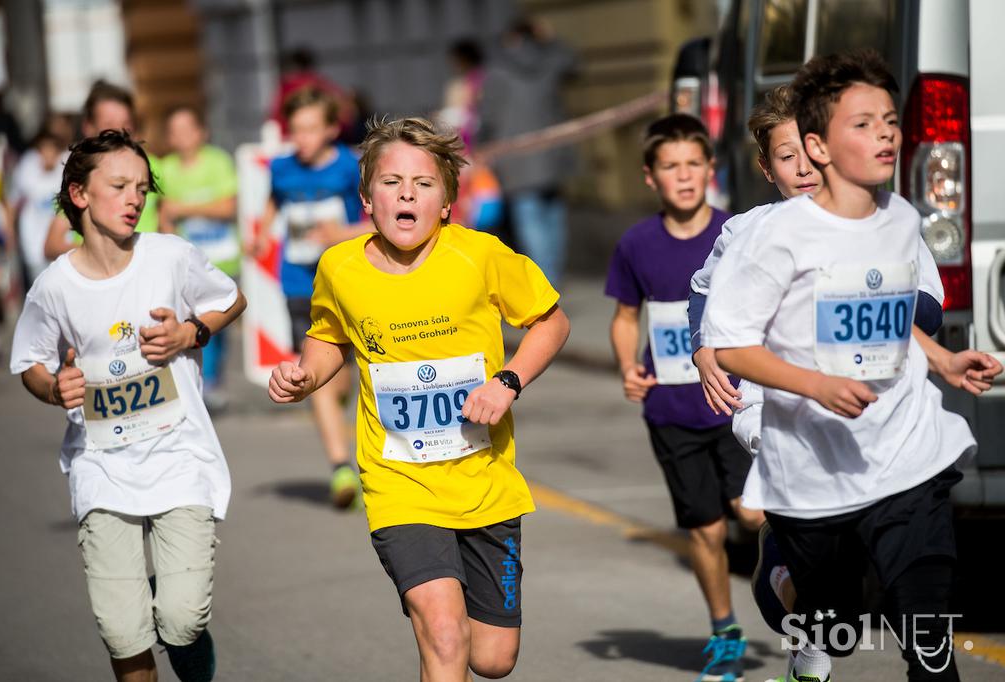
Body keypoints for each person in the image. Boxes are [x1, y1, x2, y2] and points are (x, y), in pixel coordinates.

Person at [702, 50, 1002, 682]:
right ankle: (791, 586)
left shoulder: (890, 219)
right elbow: (716, 313)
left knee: (922, 598)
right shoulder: (752, 234)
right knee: (833, 610)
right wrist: (711, 350)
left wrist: (943, 358)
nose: (805, 169)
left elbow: (915, 305)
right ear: (768, 168)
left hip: (895, 430)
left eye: (812, 154)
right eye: (788, 158)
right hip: (792, 427)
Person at [268, 116, 569, 681]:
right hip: (398, 481)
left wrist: (507, 382)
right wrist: (306, 376)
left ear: (448, 203)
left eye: (424, 184)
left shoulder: (479, 256)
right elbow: (330, 335)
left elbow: (551, 322)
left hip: (484, 482)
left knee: (493, 658)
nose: (408, 193)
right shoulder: (341, 266)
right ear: (366, 198)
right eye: (392, 182)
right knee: (444, 631)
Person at [9, 129, 247, 682]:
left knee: (182, 621)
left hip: (179, 457)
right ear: (79, 194)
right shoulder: (53, 287)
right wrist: (54, 388)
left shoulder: (169, 256)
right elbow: (30, 362)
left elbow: (230, 298)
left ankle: (180, 628)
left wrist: (190, 333)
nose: (135, 198)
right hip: (102, 465)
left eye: (142, 188)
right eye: (119, 186)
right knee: (122, 631)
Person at [605, 113, 763, 682]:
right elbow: (626, 317)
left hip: (737, 402)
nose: (684, 175)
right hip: (671, 409)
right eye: (670, 166)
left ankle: (789, 600)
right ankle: (724, 632)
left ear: (711, 170)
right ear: (651, 177)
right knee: (706, 530)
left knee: (754, 512)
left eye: (694, 163)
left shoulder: (739, 231)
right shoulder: (636, 244)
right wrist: (628, 365)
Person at [251, 87, 373, 508]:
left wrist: (341, 235)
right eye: (295, 130)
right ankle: (341, 466)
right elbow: (274, 202)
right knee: (314, 377)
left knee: (342, 381)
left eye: (309, 129)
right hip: (300, 285)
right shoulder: (282, 168)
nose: (300, 138)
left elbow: (374, 220)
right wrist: (260, 233)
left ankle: (345, 430)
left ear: (330, 130)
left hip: (348, 282)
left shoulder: (348, 166)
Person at [479, 17, 575, 286]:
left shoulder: (496, 70)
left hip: (516, 157)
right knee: (553, 216)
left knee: (529, 219)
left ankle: (546, 282)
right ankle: (554, 275)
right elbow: (573, 64)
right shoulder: (549, 61)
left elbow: (488, 116)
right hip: (552, 153)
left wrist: (480, 144)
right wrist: (551, 39)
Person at [158, 105, 240, 410]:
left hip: (222, 258)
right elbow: (164, 216)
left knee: (218, 323)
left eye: (187, 129)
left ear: (202, 131)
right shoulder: (165, 168)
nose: (182, 136)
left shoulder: (217, 162)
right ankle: (200, 383)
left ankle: (214, 379)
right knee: (190, 321)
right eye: (174, 131)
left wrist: (185, 209)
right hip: (187, 265)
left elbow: (228, 208)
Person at [44, 80, 161, 262]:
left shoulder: (152, 167)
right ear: (88, 127)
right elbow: (51, 245)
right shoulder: (84, 175)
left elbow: (170, 222)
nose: (120, 132)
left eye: (126, 123)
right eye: (109, 124)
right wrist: (104, 251)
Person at [7, 124, 69, 290]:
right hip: (33, 245)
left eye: (52, 149)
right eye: (44, 149)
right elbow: (13, 201)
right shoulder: (27, 167)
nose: (48, 154)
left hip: (61, 246)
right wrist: (10, 231)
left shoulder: (67, 167)